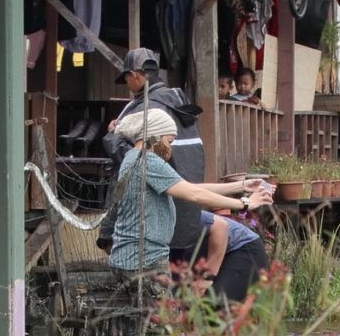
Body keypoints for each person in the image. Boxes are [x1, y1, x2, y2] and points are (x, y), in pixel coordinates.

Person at [108, 108, 272, 300]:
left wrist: (241, 185)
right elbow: (194, 194)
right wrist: (244, 204)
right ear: (154, 136)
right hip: (145, 262)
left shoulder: (131, 158)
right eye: (169, 141)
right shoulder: (149, 160)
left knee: (141, 323)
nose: (170, 149)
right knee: (166, 327)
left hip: (124, 260)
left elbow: (189, 187)